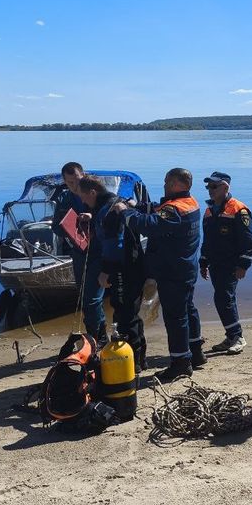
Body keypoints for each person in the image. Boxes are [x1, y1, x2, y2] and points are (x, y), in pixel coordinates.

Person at [113, 168, 203, 381]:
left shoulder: (175, 209)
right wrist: (140, 206)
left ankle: (181, 363)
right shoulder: (190, 203)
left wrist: (125, 211)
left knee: (175, 317)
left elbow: (148, 225)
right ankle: (196, 352)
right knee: (188, 309)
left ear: (175, 184)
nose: (163, 185)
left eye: (166, 182)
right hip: (186, 267)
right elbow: (160, 211)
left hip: (172, 270)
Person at [77, 176, 148, 367]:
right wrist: (92, 218)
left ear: (93, 192)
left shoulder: (109, 211)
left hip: (125, 268)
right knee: (129, 312)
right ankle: (139, 359)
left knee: (124, 314)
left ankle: (133, 362)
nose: (83, 201)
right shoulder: (112, 204)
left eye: (84, 197)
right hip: (132, 265)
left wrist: (105, 271)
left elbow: (115, 245)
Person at [199, 171, 252, 355]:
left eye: (214, 187)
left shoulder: (239, 209)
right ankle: (232, 335)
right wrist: (203, 261)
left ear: (225, 187)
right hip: (215, 263)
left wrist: (243, 265)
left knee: (224, 298)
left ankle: (237, 336)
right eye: (208, 187)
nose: (210, 190)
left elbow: (248, 241)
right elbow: (207, 240)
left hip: (231, 264)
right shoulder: (209, 211)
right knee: (224, 298)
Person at [52, 162, 106, 343]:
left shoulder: (97, 194)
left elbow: (111, 220)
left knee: (92, 298)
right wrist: (69, 224)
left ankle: (95, 338)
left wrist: (91, 218)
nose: (74, 187)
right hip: (80, 252)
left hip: (99, 252)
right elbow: (56, 228)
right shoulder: (64, 198)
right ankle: (99, 336)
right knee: (85, 296)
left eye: (77, 181)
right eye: (69, 183)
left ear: (84, 176)